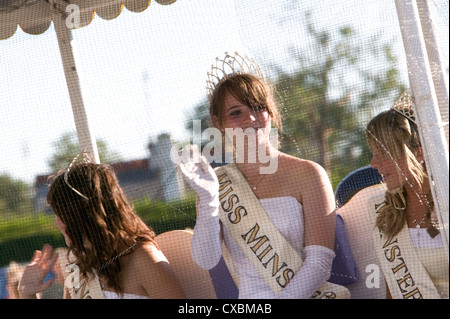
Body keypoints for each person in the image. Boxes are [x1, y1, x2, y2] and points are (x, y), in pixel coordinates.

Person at [178, 52, 348, 299]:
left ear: (270, 113)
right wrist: (208, 201)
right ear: (219, 122)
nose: (250, 118)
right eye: (236, 112)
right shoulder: (215, 185)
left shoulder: (309, 174)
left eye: (258, 108)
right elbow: (207, 260)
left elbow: (320, 264)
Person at [18, 151, 185, 299]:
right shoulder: (77, 267)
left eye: (60, 214)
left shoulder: (142, 258)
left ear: (82, 215)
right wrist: (26, 293)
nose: (57, 223)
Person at [363, 90, 448, 299]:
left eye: (383, 153)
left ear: (418, 153)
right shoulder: (383, 212)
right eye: (373, 153)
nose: (373, 163)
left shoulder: (446, 202)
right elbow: (394, 290)